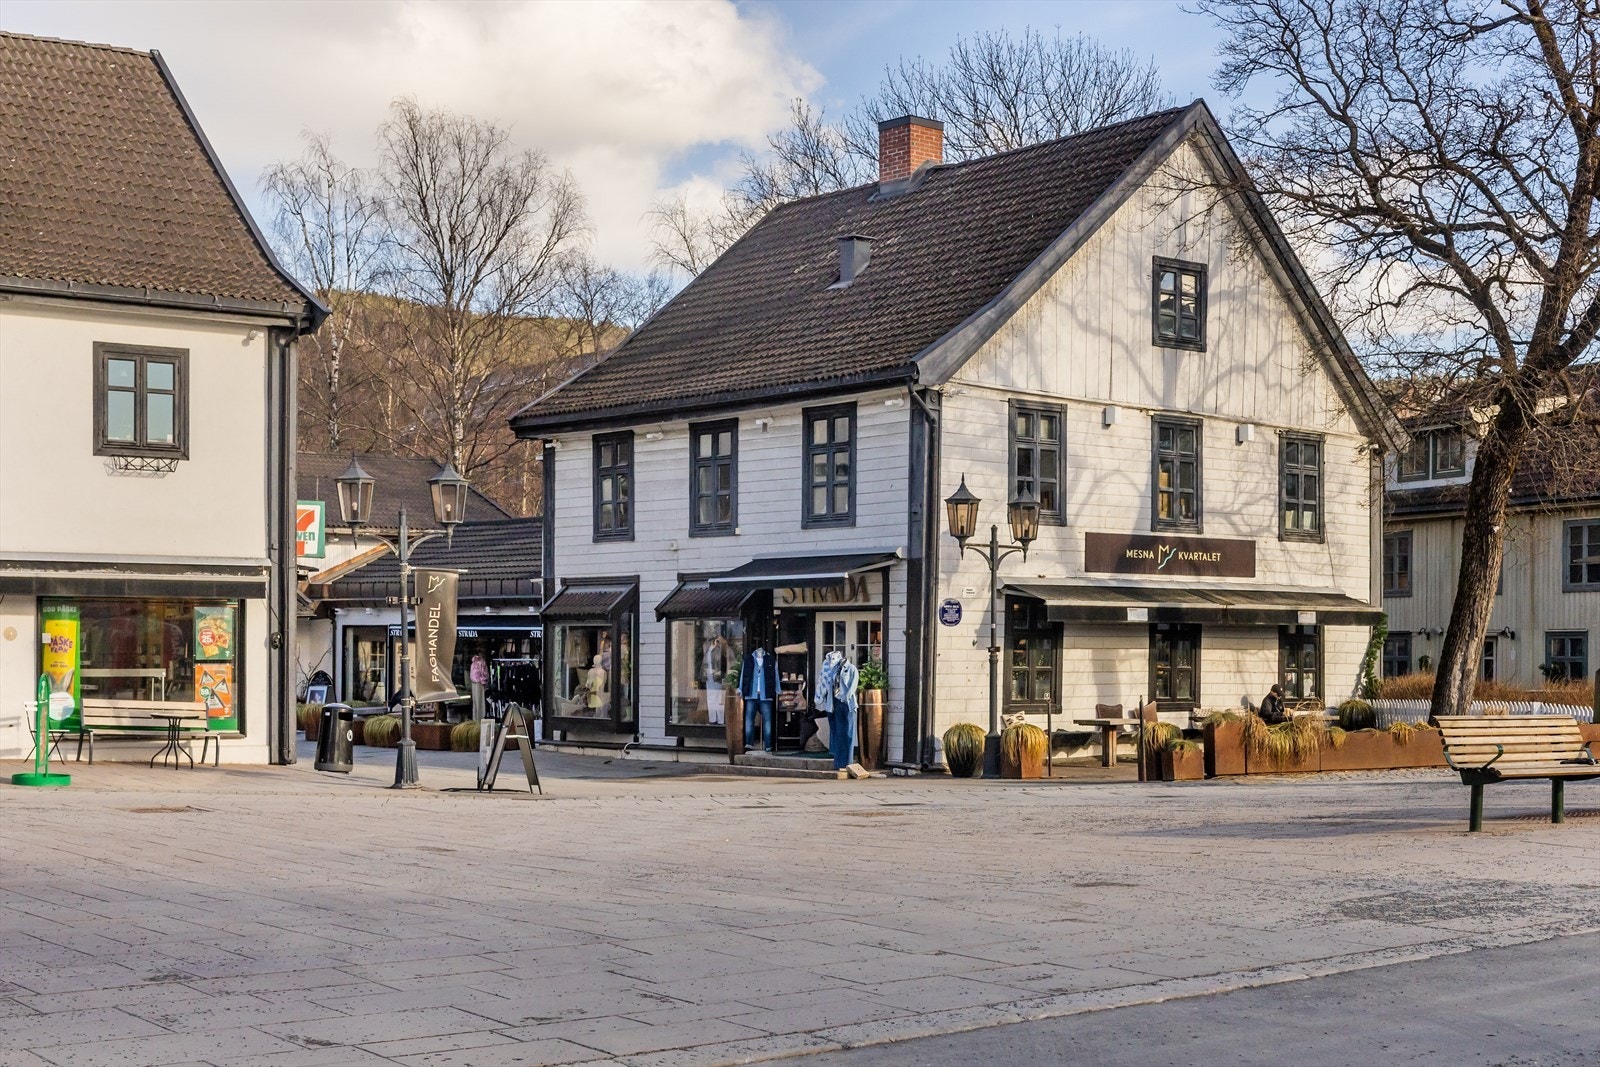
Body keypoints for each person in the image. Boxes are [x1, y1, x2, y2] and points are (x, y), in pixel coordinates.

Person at [469, 653, 489, 721]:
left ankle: (475, 718)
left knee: (475, 702)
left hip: (473, 682)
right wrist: (484, 681)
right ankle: (480, 718)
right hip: (479, 683)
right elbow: (484, 673)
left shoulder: (473, 663)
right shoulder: (482, 663)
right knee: (480, 701)